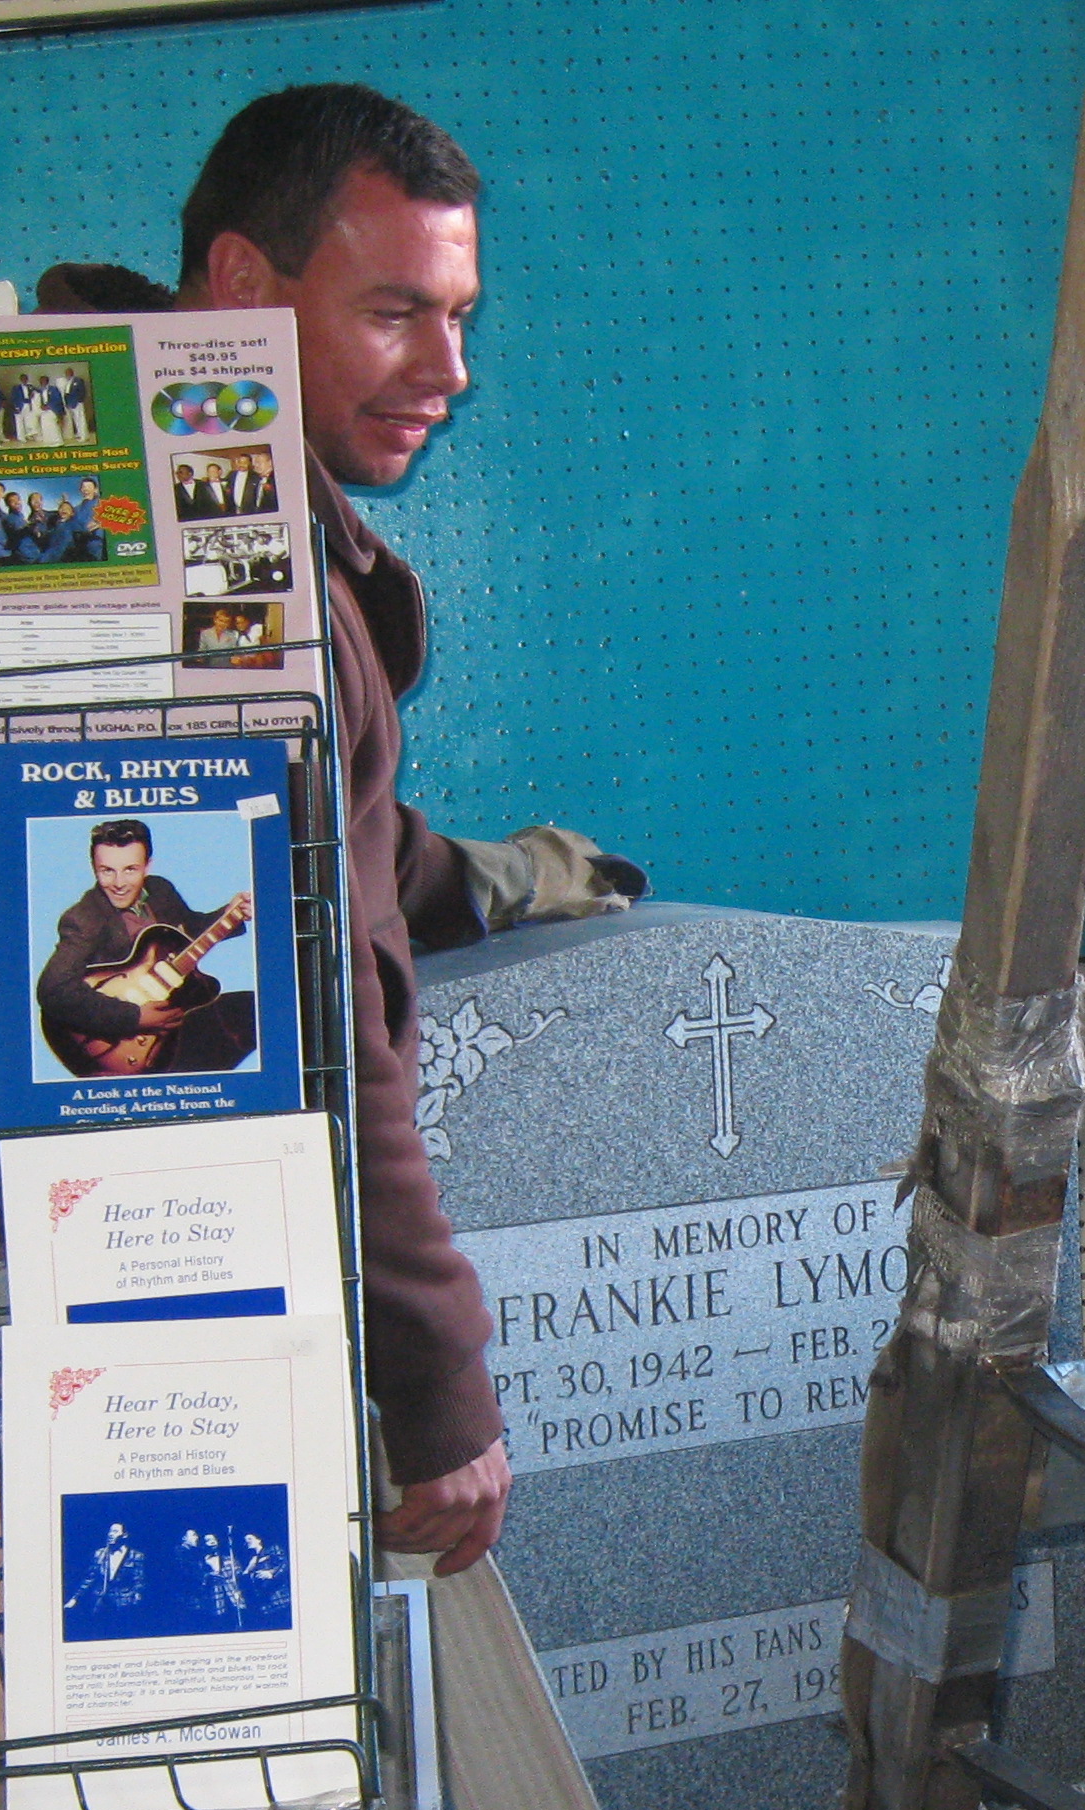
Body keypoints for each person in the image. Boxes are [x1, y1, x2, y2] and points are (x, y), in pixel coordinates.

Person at [39, 86, 657, 1571]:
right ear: (245, 285)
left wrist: (478, 880)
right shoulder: (215, 563)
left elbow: (323, 847)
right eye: (395, 313)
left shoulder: (159, 473)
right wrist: (440, 1379)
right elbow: (314, 1000)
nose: (447, 368)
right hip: (135, 1280)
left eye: (458, 315)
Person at [33, 818, 257, 1074]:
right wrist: (134, 1017)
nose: (119, 883)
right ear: (94, 867)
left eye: (130, 869)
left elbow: (186, 934)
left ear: (147, 866)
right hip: (128, 1042)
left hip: (173, 1014)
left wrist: (229, 914)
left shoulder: (160, 890)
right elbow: (54, 991)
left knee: (261, 1011)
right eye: (107, 870)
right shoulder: (84, 918)